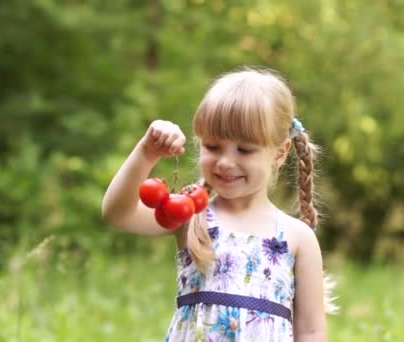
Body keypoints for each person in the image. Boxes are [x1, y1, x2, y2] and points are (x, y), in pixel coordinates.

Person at [102, 67, 333, 341]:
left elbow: (311, 330)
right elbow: (118, 213)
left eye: (245, 150)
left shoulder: (298, 237)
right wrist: (146, 153)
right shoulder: (189, 214)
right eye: (212, 147)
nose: (225, 161)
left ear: (279, 153)